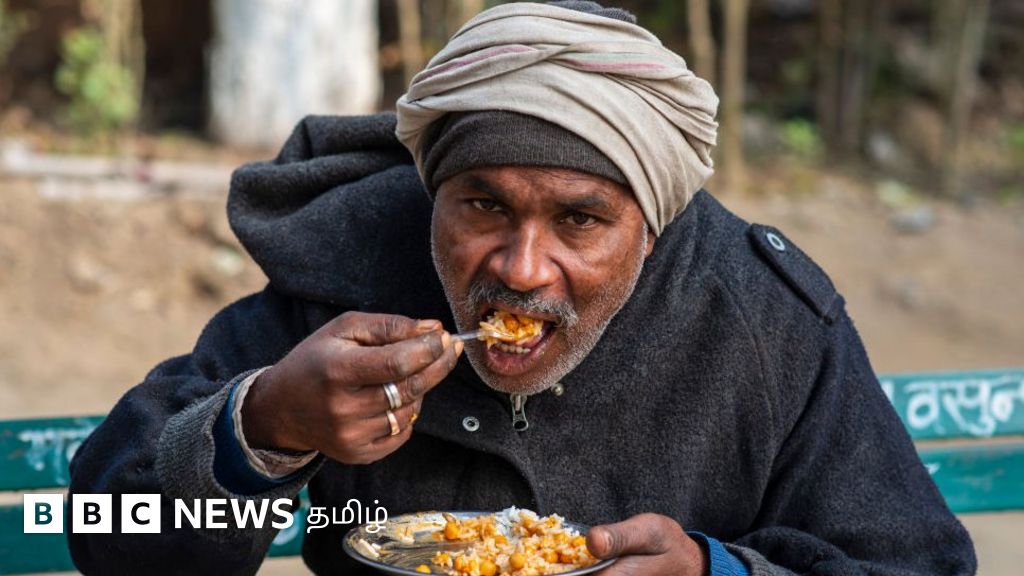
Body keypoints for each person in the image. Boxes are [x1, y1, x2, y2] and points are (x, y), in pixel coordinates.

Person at [67, 2, 976, 575]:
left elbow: (916, 564)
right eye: (482, 205)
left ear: (652, 229)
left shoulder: (761, 316)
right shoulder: (342, 269)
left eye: (580, 221)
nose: (521, 268)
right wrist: (263, 425)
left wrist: (717, 571)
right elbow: (113, 526)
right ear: (433, 195)